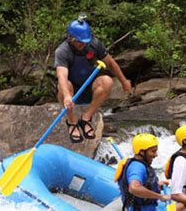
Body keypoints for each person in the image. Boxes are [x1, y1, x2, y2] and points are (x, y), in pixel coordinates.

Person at [55, 14, 132, 143]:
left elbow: (111, 63)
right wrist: (67, 95)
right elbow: (61, 75)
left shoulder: (94, 44)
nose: (83, 44)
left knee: (107, 81)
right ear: (71, 38)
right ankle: (72, 123)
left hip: (90, 88)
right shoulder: (62, 51)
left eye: (85, 41)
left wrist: (124, 81)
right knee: (63, 87)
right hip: (72, 90)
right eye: (80, 41)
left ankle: (86, 118)